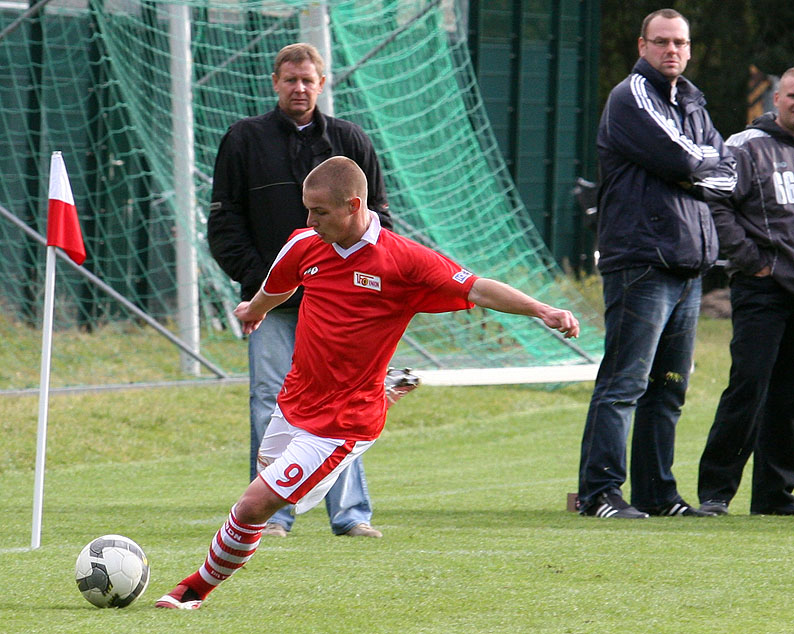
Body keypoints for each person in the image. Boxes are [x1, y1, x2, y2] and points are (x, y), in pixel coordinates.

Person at [156, 156, 580, 609]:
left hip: (343, 422)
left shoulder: (404, 260)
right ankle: (383, 391)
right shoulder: (304, 244)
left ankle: (192, 590)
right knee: (267, 487)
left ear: (354, 205)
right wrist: (254, 310)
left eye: (320, 212)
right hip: (296, 399)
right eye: (307, 209)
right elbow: (279, 284)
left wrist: (542, 310)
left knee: (254, 504)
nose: (309, 221)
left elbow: (477, 287)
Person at [208, 43, 393, 538]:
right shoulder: (244, 139)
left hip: (342, 306)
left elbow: (379, 219)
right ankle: (271, 515)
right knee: (270, 402)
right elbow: (223, 223)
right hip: (273, 305)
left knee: (344, 404)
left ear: (323, 83)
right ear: (275, 82)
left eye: (308, 79)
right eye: (290, 79)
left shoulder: (350, 140)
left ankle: (351, 515)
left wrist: (362, 284)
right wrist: (264, 279)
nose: (299, 88)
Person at [577, 9, 737, 519]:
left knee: (669, 386)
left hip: (688, 265)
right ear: (642, 46)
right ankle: (600, 493)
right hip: (642, 260)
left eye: (680, 43)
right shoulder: (631, 96)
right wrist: (695, 169)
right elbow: (685, 159)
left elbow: (729, 173)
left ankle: (657, 494)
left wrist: (694, 171)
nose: (672, 50)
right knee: (625, 382)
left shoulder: (692, 102)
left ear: (689, 49)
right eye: (662, 41)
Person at [697, 68, 794, 516]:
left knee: (787, 395)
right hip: (762, 287)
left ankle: (774, 495)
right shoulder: (745, 145)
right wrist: (751, 260)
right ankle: (716, 492)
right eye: (792, 95)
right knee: (749, 386)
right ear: (776, 98)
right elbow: (716, 201)